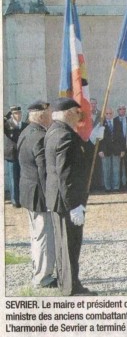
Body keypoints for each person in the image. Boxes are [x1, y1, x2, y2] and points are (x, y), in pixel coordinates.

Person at [45, 97, 101, 296]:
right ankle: (72, 287)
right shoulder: (65, 136)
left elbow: (78, 158)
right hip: (67, 200)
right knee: (70, 245)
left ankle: (65, 282)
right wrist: (74, 205)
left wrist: (92, 141)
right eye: (77, 112)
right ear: (68, 112)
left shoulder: (54, 131)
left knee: (63, 245)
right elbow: (66, 175)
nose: (80, 115)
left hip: (57, 198)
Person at [17, 100, 57, 289]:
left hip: (28, 191)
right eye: (49, 113)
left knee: (36, 235)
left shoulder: (25, 132)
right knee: (44, 235)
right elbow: (44, 170)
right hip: (40, 194)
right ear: (41, 116)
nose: (51, 117)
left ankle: (38, 270)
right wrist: (51, 196)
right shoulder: (40, 136)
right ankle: (43, 277)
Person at [4, 105, 28, 207]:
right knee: (13, 178)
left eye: (19, 113)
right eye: (15, 113)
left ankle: (22, 199)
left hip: (22, 154)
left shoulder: (24, 125)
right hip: (12, 155)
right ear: (12, 115)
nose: (18, 115)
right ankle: (15, 201)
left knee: (22, 177)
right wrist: (6, 116)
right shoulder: (7, 124)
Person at [98, 107, 123, 192]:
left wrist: (122, 150)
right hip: (105, 150)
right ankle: (107, 187)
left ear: (113, 114)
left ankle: (116, 187)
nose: (108, 115)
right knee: (106, 169)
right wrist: (100, 150)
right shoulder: (101, 123)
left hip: (116, 149)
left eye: (110, 113)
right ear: (104, 114)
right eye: (107, 114)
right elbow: (99, 138)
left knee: (116, 169)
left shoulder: (117, 122)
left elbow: (121, 137)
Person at [113, 104, 127, 190]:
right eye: (120, 109)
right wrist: (120, 148)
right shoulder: (114, 121)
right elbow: (114, 136)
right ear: (118, 111)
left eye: (124, 109)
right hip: (118, 148)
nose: (122, 110)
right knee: (119, 167)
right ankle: (120, 184)